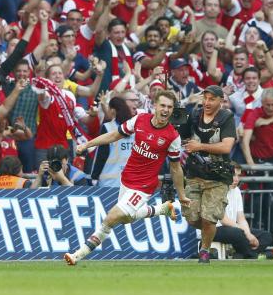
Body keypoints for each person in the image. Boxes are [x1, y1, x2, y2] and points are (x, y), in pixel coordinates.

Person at [64, 90, 189, 265]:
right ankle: (162, 209)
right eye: (162, 105)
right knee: (127, 218)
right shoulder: (140, 120)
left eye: (169, 107)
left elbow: (176, 168)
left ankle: (78, 254)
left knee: (111, 218)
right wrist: (88, 144)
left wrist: (181, 195)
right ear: (154, 105)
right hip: (127, 179)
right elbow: (114, 134)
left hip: (144, 186)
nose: (166, 110)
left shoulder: (172, 136)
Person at [178, 85, 238, 263]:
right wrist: (178, 115)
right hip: (194, 173)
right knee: (192, 217)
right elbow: (179, 136)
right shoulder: (194, 115)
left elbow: (227, 146)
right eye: (205, 98)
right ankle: (208, 232)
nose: (207, 102)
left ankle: (204, 251)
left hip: (218, 177)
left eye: (212, 99)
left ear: (221, 101)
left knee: (208, 217)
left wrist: (199, 146)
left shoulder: (227, 117)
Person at [215, 164, 273, 259]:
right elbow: (224, 220)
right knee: (238, 233)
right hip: (215, 229)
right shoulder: (217, 190)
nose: (236, 179)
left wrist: (249, 234)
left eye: (238, 175)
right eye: (233, 175)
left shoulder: (237, 190)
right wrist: (246, 233)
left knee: (266, 236)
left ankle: (241, 255)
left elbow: (241, 219)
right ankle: (254, 256)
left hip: (234, 228)